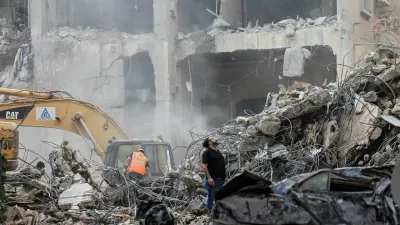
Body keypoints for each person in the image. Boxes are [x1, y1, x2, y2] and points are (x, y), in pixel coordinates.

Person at [201, 137, 228, 213]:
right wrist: (209, 178)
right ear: (209, 142)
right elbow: (204, 167)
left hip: (221, 180)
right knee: (211, 198)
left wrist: (225, 176)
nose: (215, 139)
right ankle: (207, 215)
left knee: (220, 197)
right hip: (213, 180)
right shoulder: (207, 153)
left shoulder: (217, 151)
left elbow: (221, 165)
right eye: (213, 139)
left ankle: (218, 214)